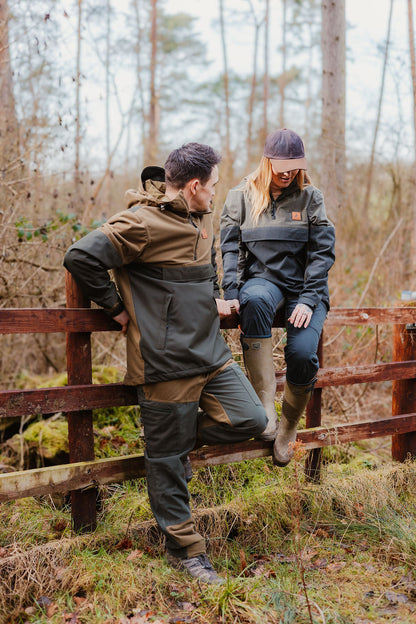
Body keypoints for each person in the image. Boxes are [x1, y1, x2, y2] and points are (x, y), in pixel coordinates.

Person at [64, 143, 268, 584]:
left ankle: (169, 448)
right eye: (212, 186)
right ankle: (187, 552)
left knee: (252, 418)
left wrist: (212, 299)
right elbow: (81, 256)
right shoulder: (140, 223)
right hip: (165, 362)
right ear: (194, 186)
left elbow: (200, 276)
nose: (215, 193)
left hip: (210, 353)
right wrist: (116, 308)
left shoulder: (200, 218)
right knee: (168, 464)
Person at [220, 128, 335, 466]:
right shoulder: (240, 196)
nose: (287, 173)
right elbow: (230, 248)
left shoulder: (310, 197)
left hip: (304, 288)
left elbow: (322, 252)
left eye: (294, 166)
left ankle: (287, 427)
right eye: (281, 166)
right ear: (266, 160)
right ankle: (265, 408)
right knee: (253, 300)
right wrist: (231, 291)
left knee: (302, 354)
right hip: (263, 282)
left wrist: (308, 298)